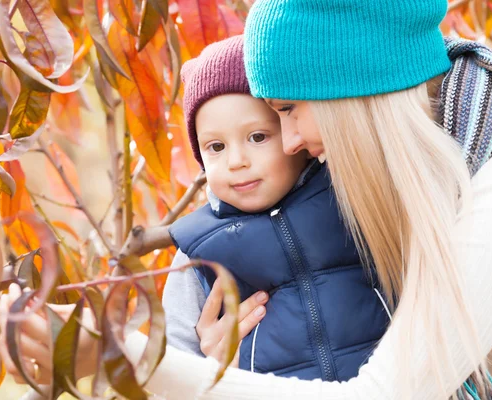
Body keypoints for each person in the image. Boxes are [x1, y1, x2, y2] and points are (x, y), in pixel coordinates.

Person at [0, 0, 492, 398]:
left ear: (351, 90)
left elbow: (386, 393)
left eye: (288, 109)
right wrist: (226, 362)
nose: (289, 143)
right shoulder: (447, 158)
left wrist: (122, 355)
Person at [165, 34, 390, 381]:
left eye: (257, 137)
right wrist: (211, 369)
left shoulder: (350, 197)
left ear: (293, 132)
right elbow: (173, 361)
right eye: (215, 146)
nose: (236, 161)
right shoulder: (198, 249)